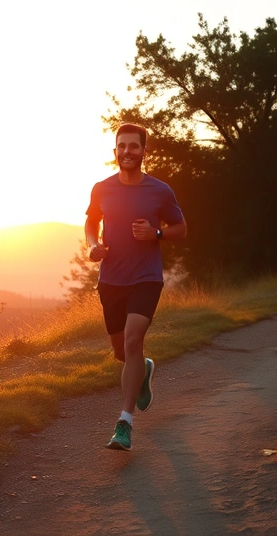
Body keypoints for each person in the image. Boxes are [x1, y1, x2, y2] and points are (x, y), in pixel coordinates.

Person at [86, 123, 187, 451]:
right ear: (115, 150)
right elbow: (91, 222)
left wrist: (156, 234)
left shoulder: (160, 190)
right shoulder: (102, 188)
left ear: (144, 151)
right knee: (123, 352)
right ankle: (143, 369)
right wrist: (92, 245)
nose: (127, 152)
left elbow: (181, 229)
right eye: (121, 146)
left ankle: (124, 423)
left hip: (146, 278)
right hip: (111, 280)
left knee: (132, 341)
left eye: (134, 146)